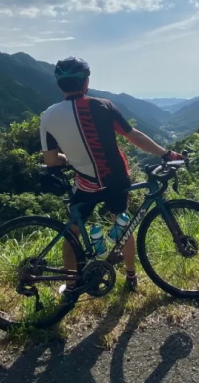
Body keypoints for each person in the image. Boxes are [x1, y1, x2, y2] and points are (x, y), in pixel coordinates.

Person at [39, 56, 183, 293]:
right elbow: (133, 136)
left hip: (84, 184)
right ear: (86, 81)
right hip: (116, 180)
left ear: (59, 85)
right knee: (123, 223)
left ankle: (72, 283)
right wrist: (165, 153)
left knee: (73, 232)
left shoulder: (48, 116)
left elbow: (51, 160)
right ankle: (131, 276)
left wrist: (69, 159)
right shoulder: (103, 106)